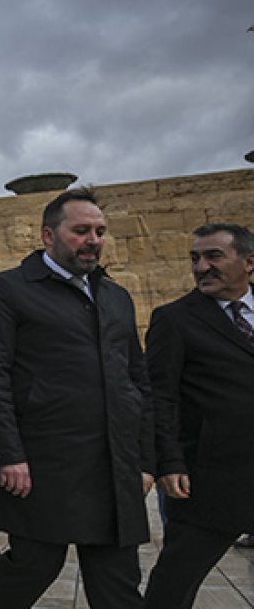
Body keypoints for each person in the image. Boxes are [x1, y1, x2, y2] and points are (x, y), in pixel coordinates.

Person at [0, 188, 154, 608]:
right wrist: (8, 454)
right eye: (81, 231)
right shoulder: (8, 290)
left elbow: (137, 380)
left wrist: (146, 459)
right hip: (45, 464)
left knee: (118, 585)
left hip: (113, 467)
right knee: (32, 568)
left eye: (100, 231)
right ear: (48, 236)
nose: (93, 240)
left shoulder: (115, 297)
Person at [143, 223, 254, 608]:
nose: (201, 267)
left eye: (213, 256)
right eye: (195, 258)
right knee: (175, 583)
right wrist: (168, 461)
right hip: (210, 480)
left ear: (249, 262)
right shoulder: (174, 320)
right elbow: (159, 397)